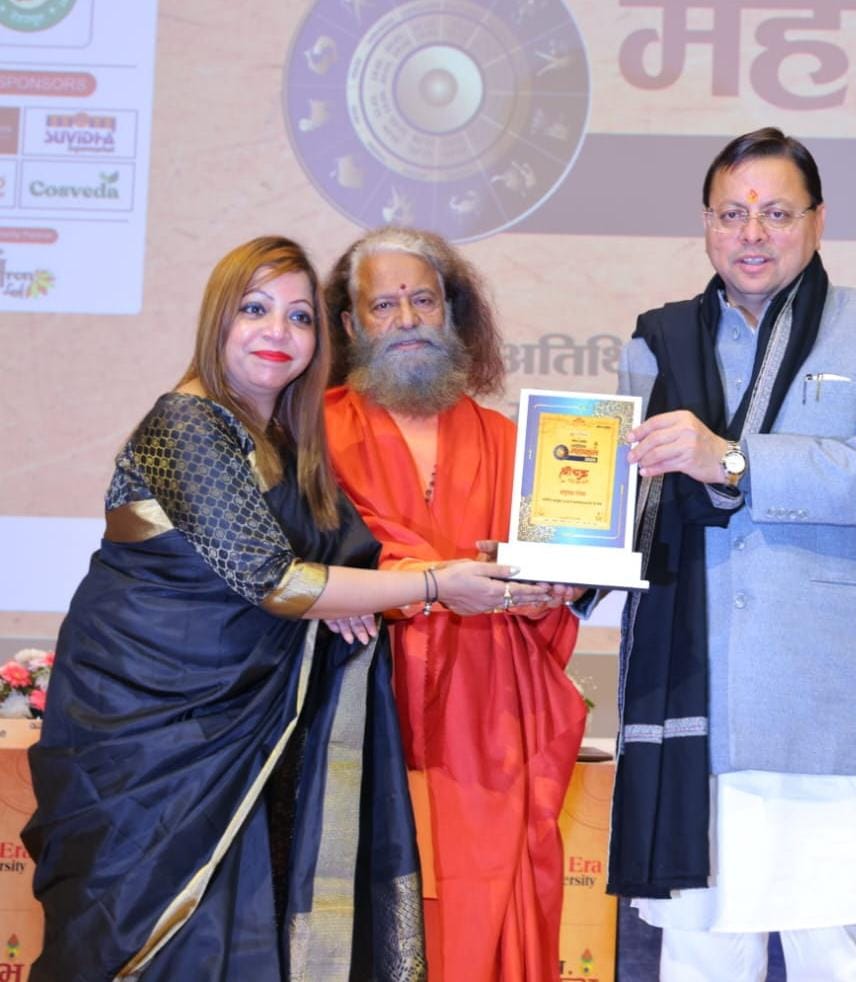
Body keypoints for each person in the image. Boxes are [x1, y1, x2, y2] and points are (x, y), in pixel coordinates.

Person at [22, 236, 544, 982]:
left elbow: (327, 565)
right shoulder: (187, 423)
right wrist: (431, 585)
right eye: (256, 310)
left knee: (241, 944)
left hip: (250, 733)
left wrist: (337, 597)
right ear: (218, 320)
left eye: (300, 317)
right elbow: (278, 583)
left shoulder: (288, 440)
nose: (279, 332)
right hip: (148, 736)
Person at [609, 127, 856, 980]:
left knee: (835, 958)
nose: (752, 233)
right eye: (732, 214)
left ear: (818, 221)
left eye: (776, 213)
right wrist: (563, 557)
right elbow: (627, 505)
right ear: (706, 224)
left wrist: (732, 459)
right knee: (700, 957)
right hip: (698, 705)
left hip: (833, 710)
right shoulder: (656, 341)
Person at [323, 227, 587, 981]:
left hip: (486, 724)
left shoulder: (512, 441)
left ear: (451, 312)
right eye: (383, 304)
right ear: (350, 325)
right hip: (356, 708)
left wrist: (552, 590)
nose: (407, 319)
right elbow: (301, 569)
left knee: (480, 917)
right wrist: (429, 582)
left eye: (423, 300)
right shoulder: (314, 431)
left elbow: (547, 585)